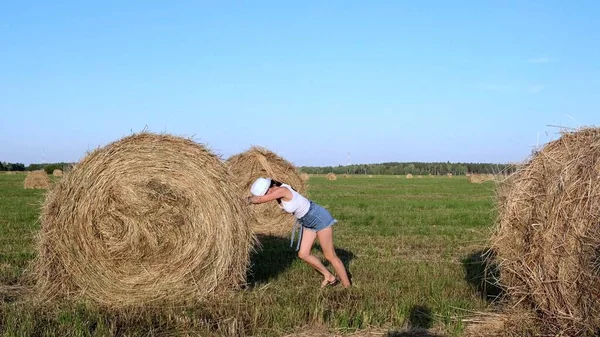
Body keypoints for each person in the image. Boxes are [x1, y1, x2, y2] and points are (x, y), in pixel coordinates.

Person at [248, 177, 351, 288]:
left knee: (330, 256)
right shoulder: (277, 192)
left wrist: (239, 202)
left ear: (270, 186)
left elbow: (258, 200)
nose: (267, 194)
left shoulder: (281, 190)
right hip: (307, 221)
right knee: (303, 254)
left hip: (318, 217)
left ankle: (347, 287)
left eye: (266, 192)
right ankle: (329, 277)